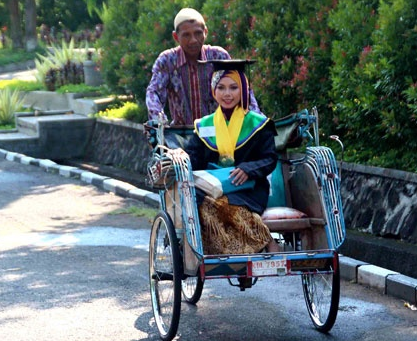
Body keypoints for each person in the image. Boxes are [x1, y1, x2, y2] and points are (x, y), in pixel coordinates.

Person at [183, 60, 280, 254]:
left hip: (248, 189)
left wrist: (249, 170)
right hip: (212, 187)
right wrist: (179, 157)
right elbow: (194, 158)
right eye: (221, 88)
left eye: (234, 87)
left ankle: (263, 240)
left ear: (243, 89)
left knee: (221, 202)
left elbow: (269, 158)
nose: (227, 94)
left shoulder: (258, 124)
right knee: (196, 199)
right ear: (214, 90)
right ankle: (235, 251)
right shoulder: (204, 125)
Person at [146, 7, 262, 126]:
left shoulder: (218, 56)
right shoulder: (167, 60)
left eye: (198, 33)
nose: (193, 40)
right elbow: (154, 92)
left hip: (219, 132)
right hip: (182, 135)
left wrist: (257, 121)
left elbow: (242, 90)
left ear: (205, 32)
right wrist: (158, 121)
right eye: (186, 35)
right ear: (176, 37)